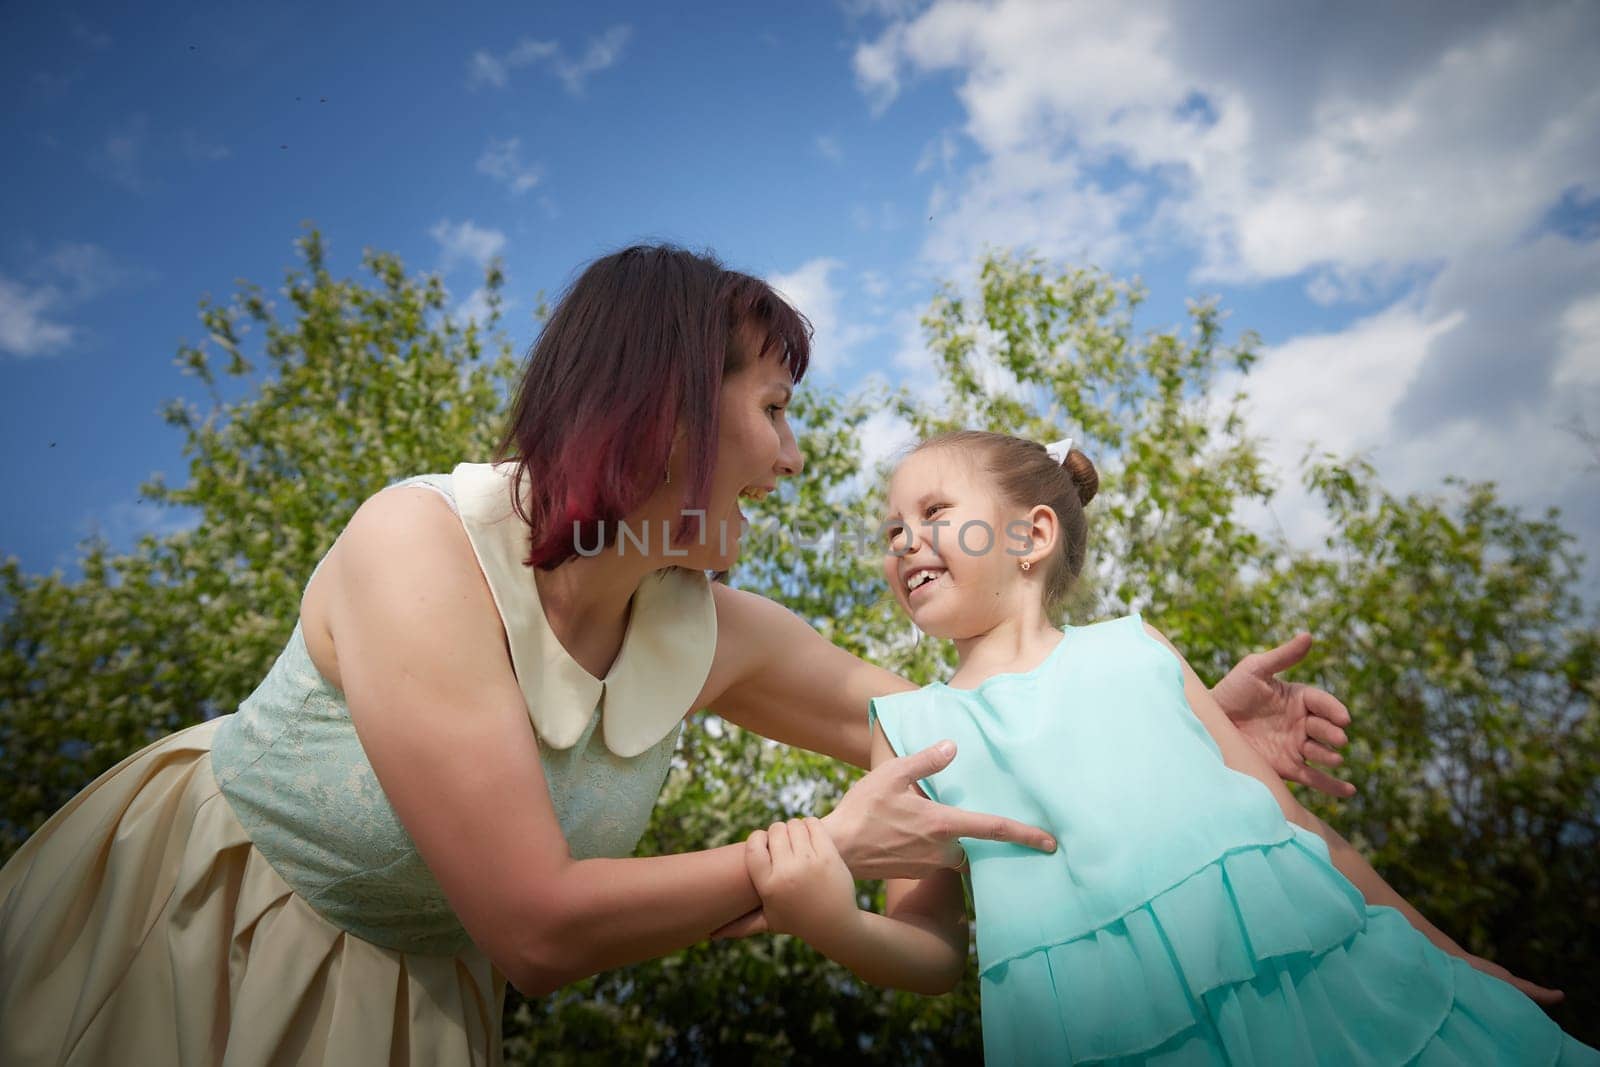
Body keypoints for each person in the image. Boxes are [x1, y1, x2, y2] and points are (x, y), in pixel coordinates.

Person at [0, 247, 1354, 1066]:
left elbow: (973, 734)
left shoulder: (711, 632)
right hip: (189, 925)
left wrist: (1184, 727)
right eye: (772, 407)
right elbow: (533, 922)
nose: (794, 453)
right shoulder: (421, 545)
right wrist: (824, 844)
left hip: (400, 1004)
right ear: (661, 403)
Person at [737, 429, 1599, 1065]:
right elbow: (929, 948)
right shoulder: (914, 731)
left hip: (1332, 1012)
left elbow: (1297, 824)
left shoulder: (1140, 649)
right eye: (892, 529)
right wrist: (834, 923)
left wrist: (1451, 954)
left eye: (933, 513)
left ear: (1032, 535)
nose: (903, 541)